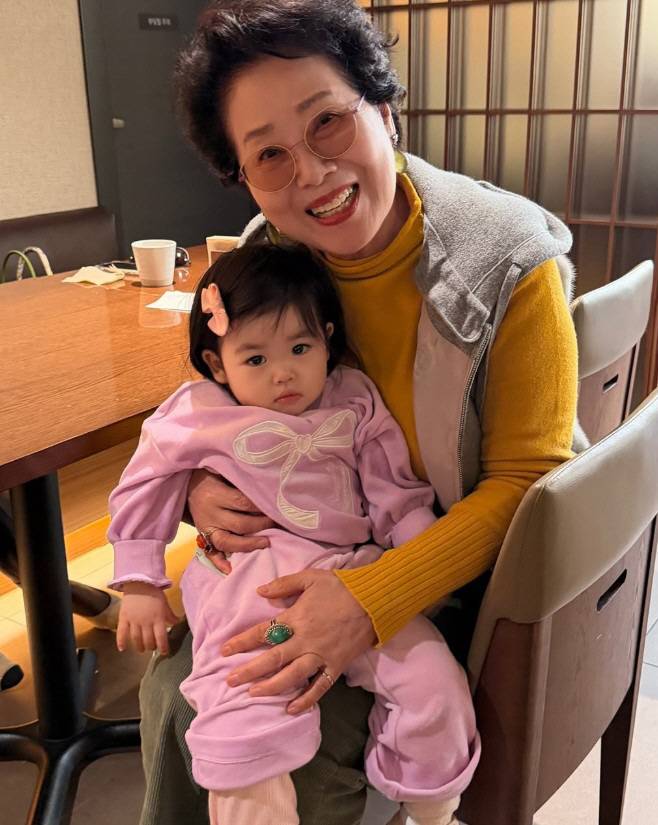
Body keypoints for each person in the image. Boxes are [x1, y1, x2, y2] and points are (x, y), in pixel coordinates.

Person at [138, 2, 579, 823]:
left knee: (280, 740)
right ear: (243, 176)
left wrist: (372, 598)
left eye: (328, 123)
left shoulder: (507, 257)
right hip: (304, 550)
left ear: (383, 109)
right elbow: (219, 405)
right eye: (269, 154)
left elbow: (531, 479)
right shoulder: (270, 256)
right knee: (176, 691)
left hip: (461, 573)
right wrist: (201, 483)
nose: (309, 172)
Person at [109, 244, 480, 825]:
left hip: (355, 575)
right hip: (246, 581)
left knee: (432, 678)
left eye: (300, 349)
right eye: (255, 358)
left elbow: (394, 489)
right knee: (241, 704)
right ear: (216, 363)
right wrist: (139, 582)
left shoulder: (353, 397)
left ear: (327, 340)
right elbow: (144, 482)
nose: (283, 373)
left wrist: (421, 559)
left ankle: (432, 804)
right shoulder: (195, 410)